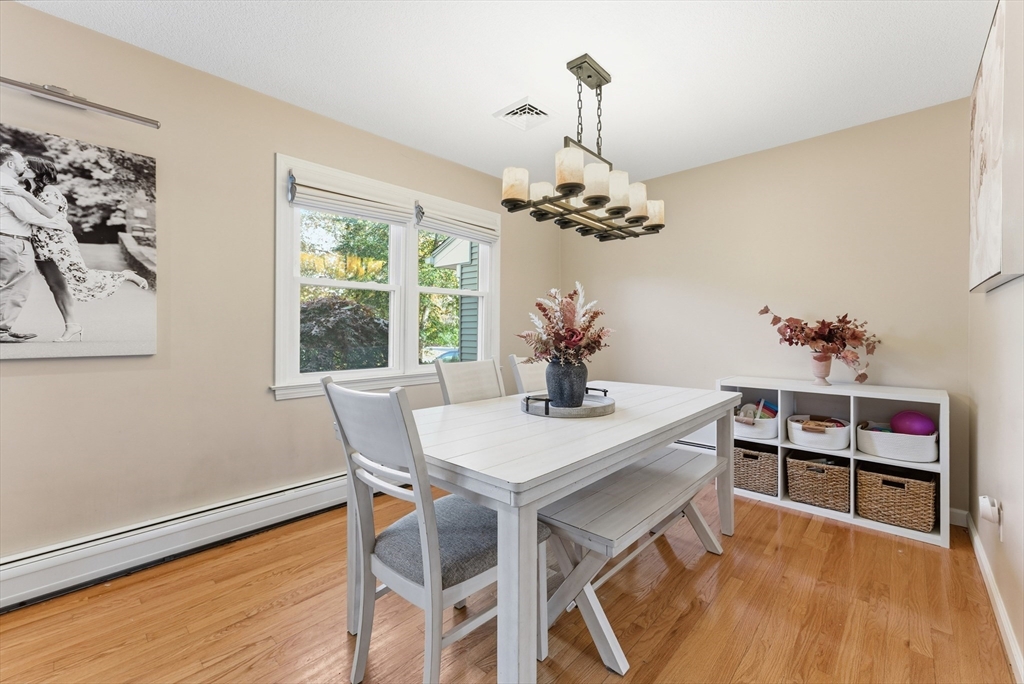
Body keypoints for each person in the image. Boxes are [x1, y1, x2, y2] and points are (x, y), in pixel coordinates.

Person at [0, 156, 149, 342]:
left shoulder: (49, 190)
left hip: (59, 242)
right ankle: (72, 326)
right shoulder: (26, 190)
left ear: (39, 172)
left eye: (29, 166)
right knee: (56, 286)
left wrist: (23, 195)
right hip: (39, 246)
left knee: (81, 277)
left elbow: (49, 213)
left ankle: (126, 275)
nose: (25, 168)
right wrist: (22, 193)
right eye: (25, 165)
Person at [0, 145, 72, 344]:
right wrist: (59, 224)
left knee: (6, 285)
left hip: (5, 239)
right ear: (10, 164)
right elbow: (26, 214)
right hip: (13, 240)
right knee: (16, 287)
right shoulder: (8, 185)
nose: (24, 165)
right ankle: (1, 329)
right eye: (21, 162)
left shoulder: (11, 184)